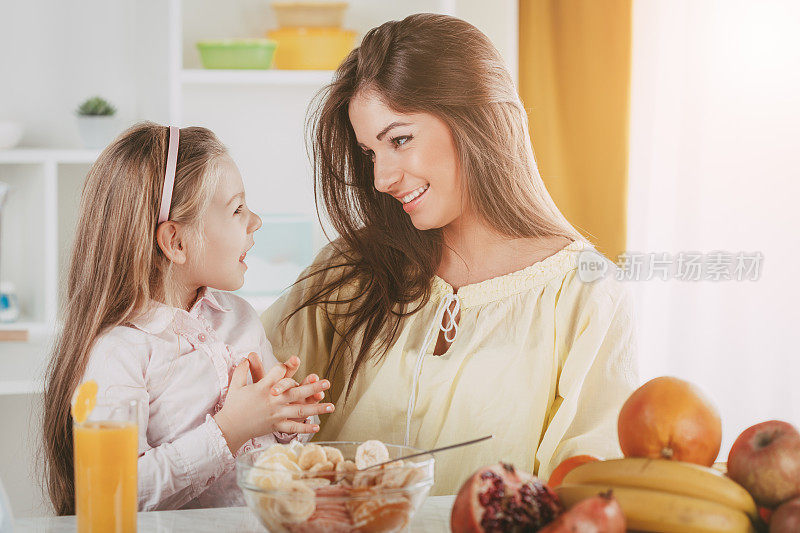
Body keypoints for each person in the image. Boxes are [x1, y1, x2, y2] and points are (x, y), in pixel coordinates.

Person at [261, 14, 638, 496]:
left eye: (399, 140)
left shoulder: (585, 294)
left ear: (475, 119)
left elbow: (585, 488)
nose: (382, 178)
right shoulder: (348, 269)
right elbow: (245, 384)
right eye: (371, 152)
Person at [42, 123, 335, 513]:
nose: (255, 222)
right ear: (176, 242)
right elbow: (117, 491)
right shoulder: (120, 352)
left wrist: (282, 421)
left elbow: (269, 464)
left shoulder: (240, 318)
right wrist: (231, 429)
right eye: (237, 209)